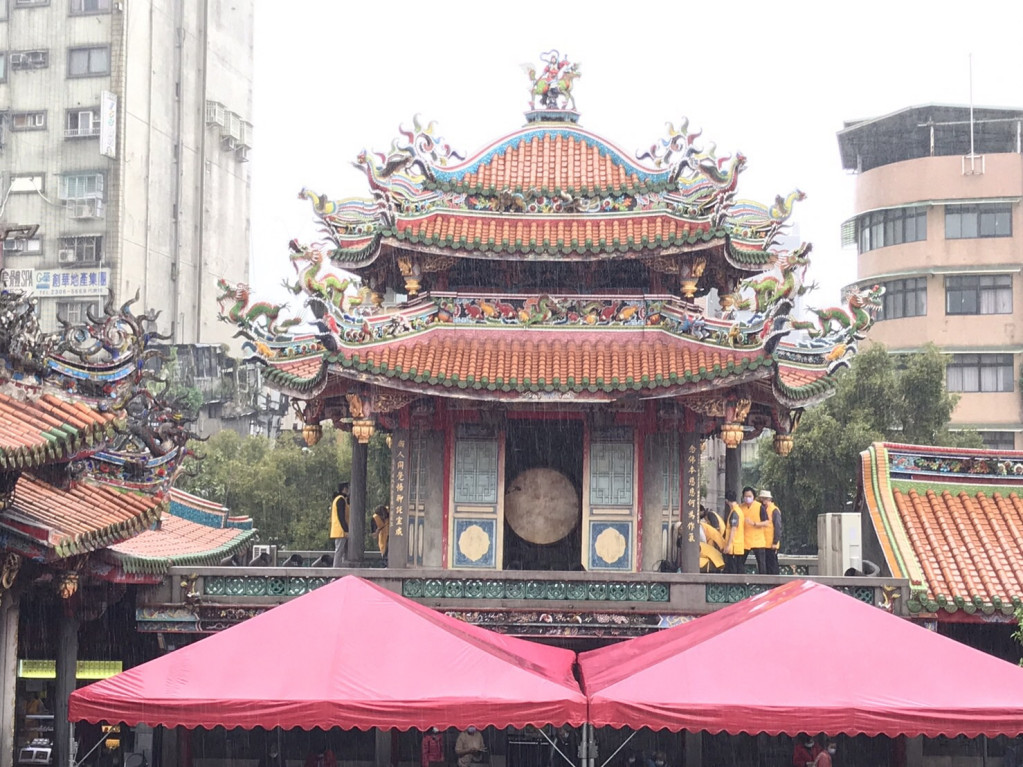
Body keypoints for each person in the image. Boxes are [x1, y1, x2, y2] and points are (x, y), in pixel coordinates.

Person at [740, 485, 768, 574]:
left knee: (761, 564)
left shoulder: (760, 507)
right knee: (740, 563)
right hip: (745, 540)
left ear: (753, 497)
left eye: (749, 496)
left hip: (757, 540)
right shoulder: (741, 508)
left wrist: (754, 524)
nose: (747, 498)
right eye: (745, 496)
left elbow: (766, 522)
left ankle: (763, 583)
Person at [721, 490, 746, 574]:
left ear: (727, 501)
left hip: (734, 547)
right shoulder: (739, 510)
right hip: (738, 546)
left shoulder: (734, 512)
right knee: (738, 569)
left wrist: (728, 545)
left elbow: (733, 529)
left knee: (733, 570)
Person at [759, 489, 783, 575]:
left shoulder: (774, 510)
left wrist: (775, 542)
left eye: (764, 499)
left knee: (772, 566)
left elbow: (777, 527)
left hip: (771, 544)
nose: (762, 501)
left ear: (769, 499)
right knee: (766, 566)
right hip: (763, 543)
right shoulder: (762, 510)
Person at [330, 482, 350, 567]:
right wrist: (346, 530)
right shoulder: (340, 499)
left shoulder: (340, 499)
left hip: (340, 530)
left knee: (342, 552)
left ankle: (340, 569)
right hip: (340, 530)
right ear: (344, 489)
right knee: (339, 552)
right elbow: (341, 516)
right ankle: (336, 571)